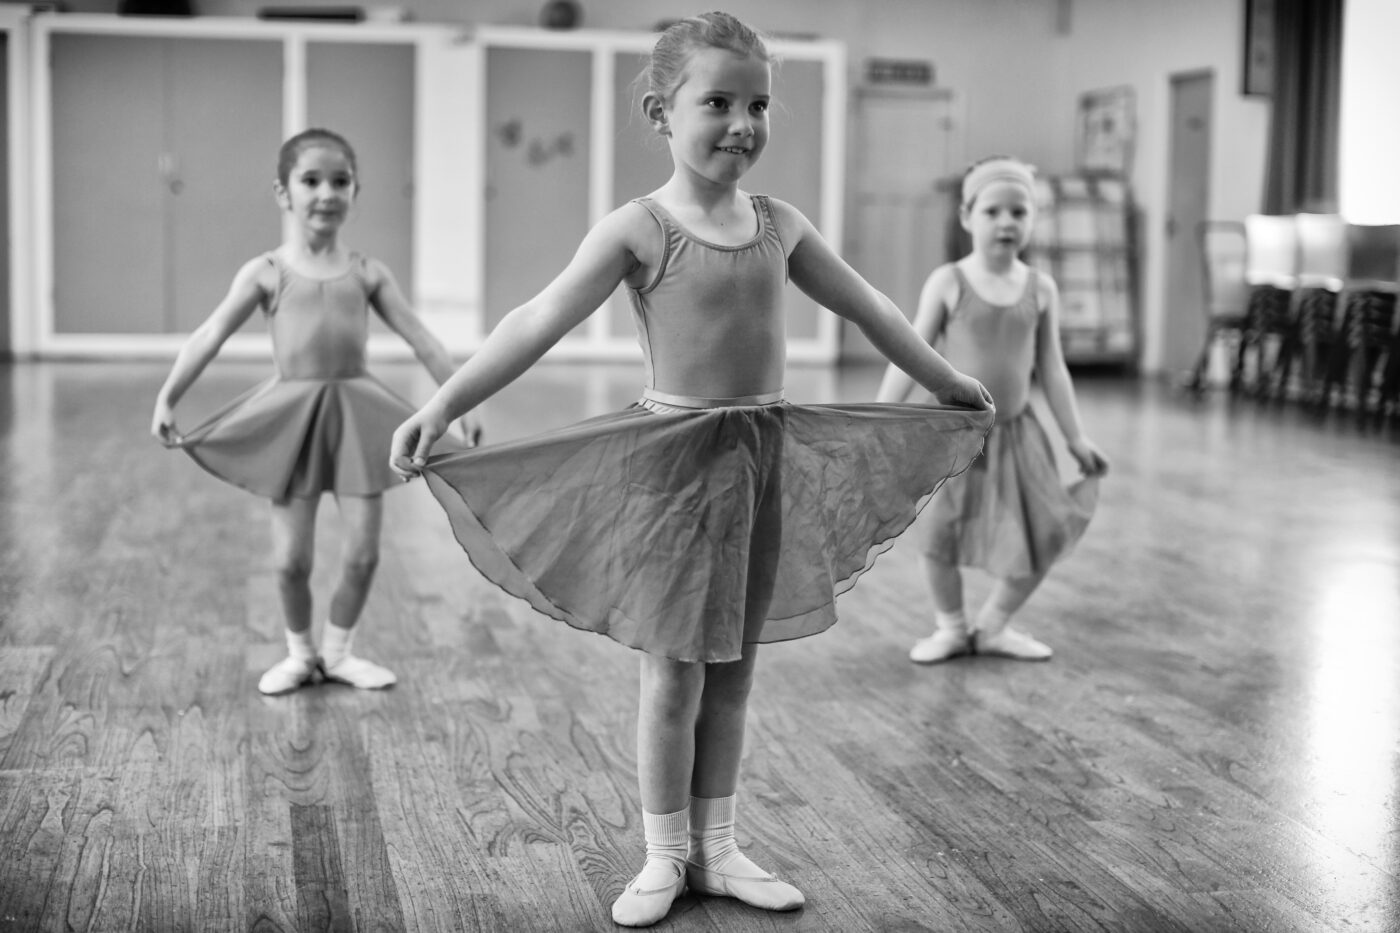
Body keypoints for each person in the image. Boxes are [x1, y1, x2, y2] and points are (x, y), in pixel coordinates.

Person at [389, 13, 993, 928]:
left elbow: (868, 303)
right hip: (674, 468)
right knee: (674, 673)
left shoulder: (780, 225)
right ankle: (663, 853)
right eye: (718, 101)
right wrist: (439, 403)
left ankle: (719, 845)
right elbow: (536, 317)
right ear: (660, 111)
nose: (742, 123)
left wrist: (945, 379)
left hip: (762, 459)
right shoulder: (640, 229)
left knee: (737, 670)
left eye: (756, 103)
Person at [151, 128, 477, 696]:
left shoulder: (369, 272)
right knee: (289, 562)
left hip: (359, 416)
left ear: (356, 190)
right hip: (291, 420)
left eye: (340, 181)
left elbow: (421, 337)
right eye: (311, 181)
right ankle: (300, 654)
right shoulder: (265, 272)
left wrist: (460, 400)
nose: (326, 193)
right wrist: (169, 394)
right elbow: (209, 334)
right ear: (284, 193)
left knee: (362, 554)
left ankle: (339, 652)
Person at [877, 155, 1109, 665]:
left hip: (1019, 435)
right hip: (956, 435)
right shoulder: (949, 281)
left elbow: (1052, 370)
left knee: (1041, 533)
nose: (1007, 222)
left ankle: (995, 624)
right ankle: (952, 627)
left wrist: (1075, 438)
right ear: (967, 217)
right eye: (992, 211)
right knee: (939, 537)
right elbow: (912, 351)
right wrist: (879, 415)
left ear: (1032, 220)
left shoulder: (1040, 288)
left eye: (1019, 212)